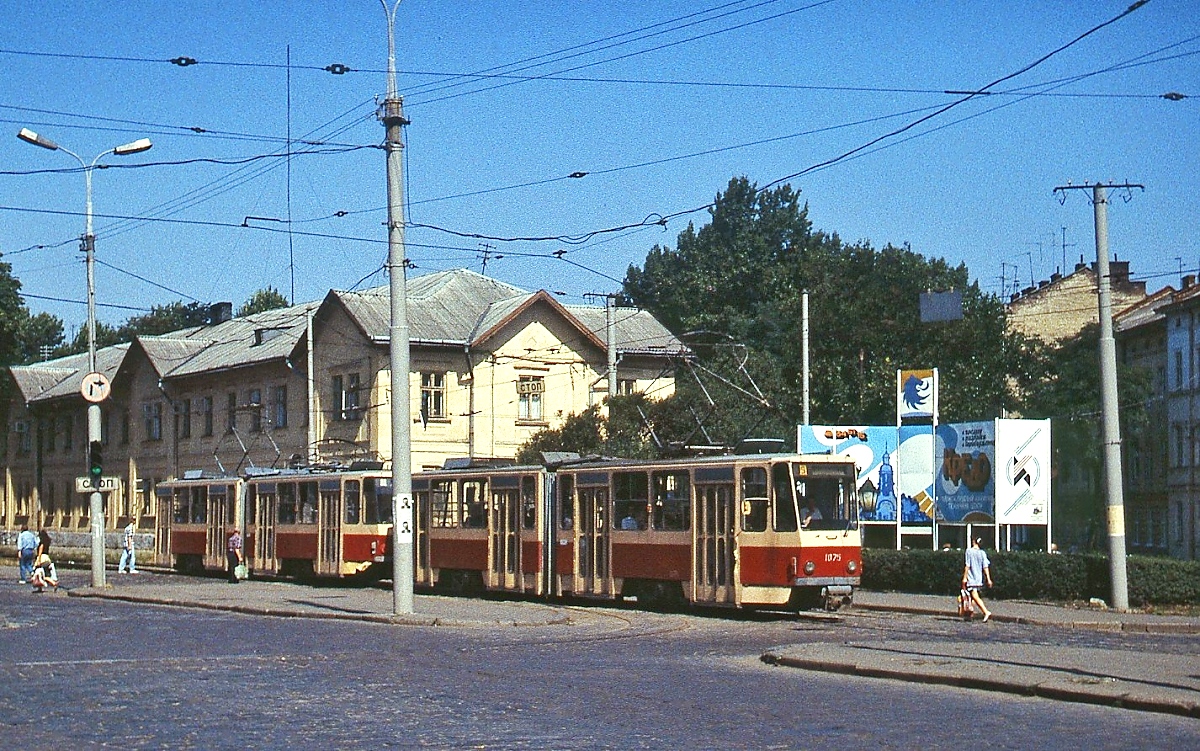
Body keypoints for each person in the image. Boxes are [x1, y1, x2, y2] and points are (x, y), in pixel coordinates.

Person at [962, 536, 994, 622]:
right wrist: (988, 578)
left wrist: (964, 577)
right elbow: (985, 567)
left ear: (973, 542)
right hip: (978, 578)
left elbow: (967, 565)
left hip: (971, 577)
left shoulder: (969, 551)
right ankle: (969, 615)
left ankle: (986, 611)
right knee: (972, 596)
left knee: (974, 596)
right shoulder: (982, 553)